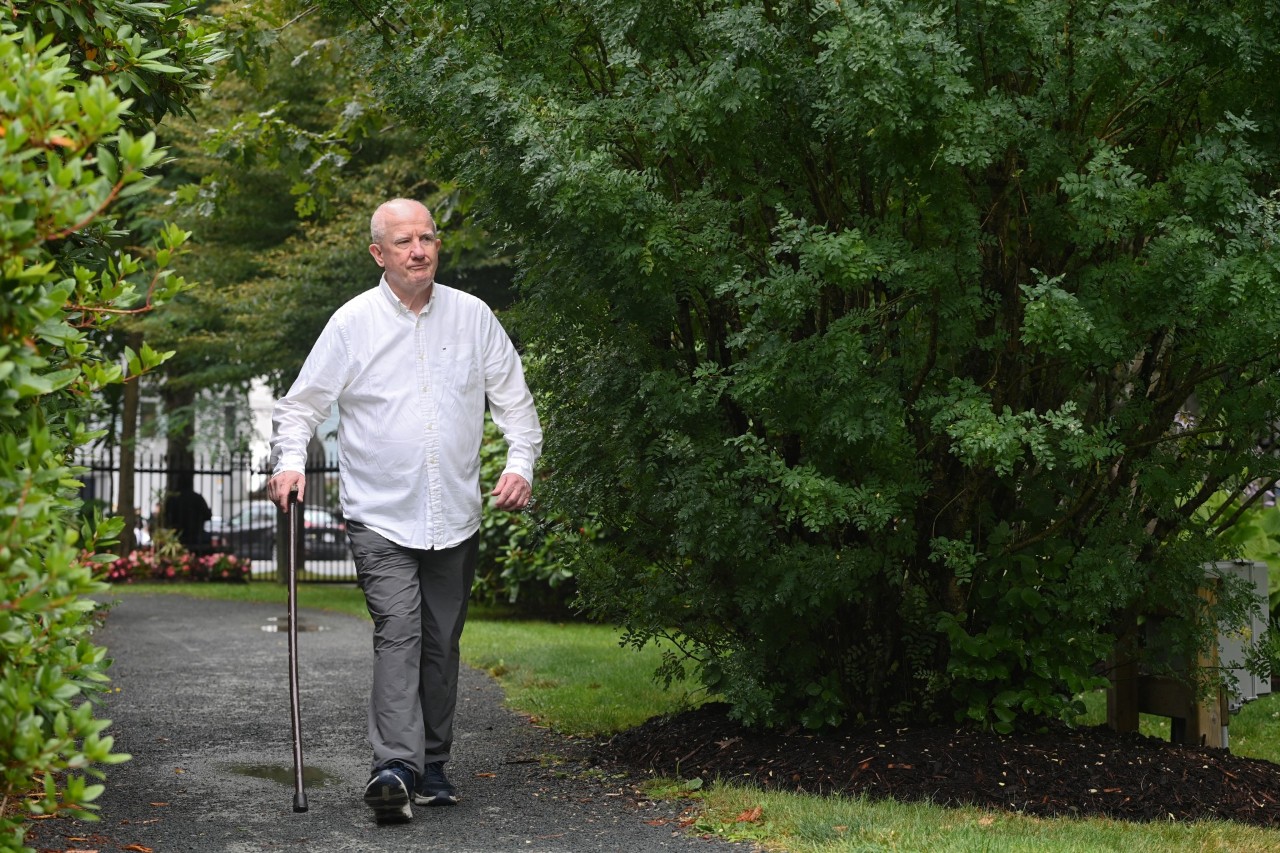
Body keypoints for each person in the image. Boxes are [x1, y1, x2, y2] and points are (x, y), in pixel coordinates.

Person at [266, 198, 542, 824]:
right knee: (400, 630)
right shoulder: (351, 323)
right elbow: (301, 405)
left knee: (442, 644)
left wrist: (519, 464)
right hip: (379, 516)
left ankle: (433, 765)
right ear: (378, 254)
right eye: (403, 242)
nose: (419, 250)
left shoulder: (473, 317)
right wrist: (289, 462)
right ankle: (394, 767)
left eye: (427, 238)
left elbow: (516, 404)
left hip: (455, 516)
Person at [162, 472, 212, 553]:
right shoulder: (197, 498)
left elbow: (166, 517)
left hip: (176, 537)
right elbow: (207, 515)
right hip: (195, 536)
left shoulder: (172, 499)